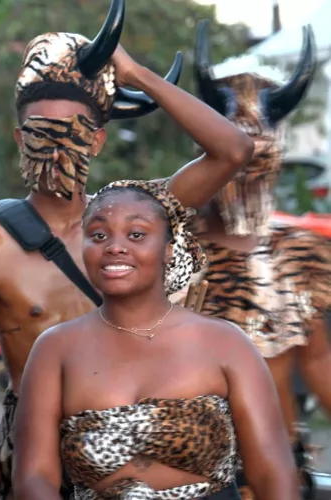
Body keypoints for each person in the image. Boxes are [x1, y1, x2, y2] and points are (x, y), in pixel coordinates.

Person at [0, 1, 255, 497]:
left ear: (98, 141)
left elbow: (234, 151)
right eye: (41, 130)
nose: (56, 146)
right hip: (43, 458)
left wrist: (137, 74)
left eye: (73, 131)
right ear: (18, 137)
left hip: (152, 442)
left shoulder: (136, 221)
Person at [13, 179, 298, 500]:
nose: (115, 246)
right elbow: (34, 477)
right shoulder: (55, 348)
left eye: (136, 234)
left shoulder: (225, 343)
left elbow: (272, 473)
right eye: (98, 235)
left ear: (168, 251)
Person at [171, 21, 331, 500]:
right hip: (184, 475)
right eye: (228, 154)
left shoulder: (298, 255)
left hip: (276, 477)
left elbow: (320, 362)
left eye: (255, 158)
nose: (243, 174)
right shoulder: (165, 249)